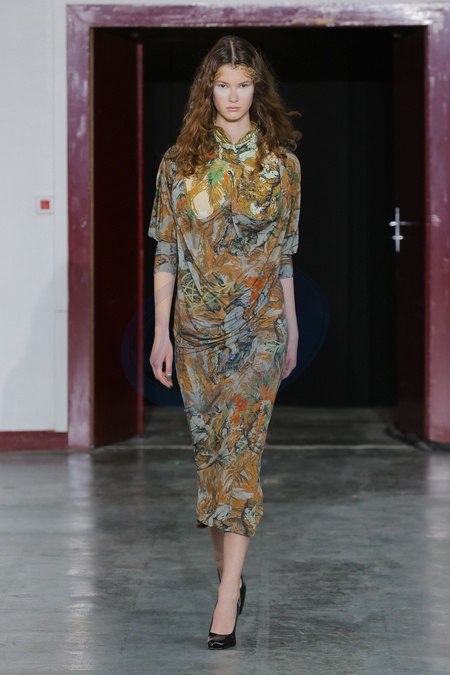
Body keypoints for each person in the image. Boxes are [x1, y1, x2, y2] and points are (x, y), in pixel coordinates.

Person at [149, 35, 301, 650]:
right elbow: (166, 251)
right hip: (196, 334)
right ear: (207, 90)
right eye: (222, 85)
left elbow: (285, 253)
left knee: (240, 459)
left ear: (256, 89)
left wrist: (291, 328)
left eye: (243, 84)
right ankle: (229, 579)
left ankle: (224, 600)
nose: (233, 96)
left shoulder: (282, 165)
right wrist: (160, 332)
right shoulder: (179, 163)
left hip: (259, 331)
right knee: (213, 460)